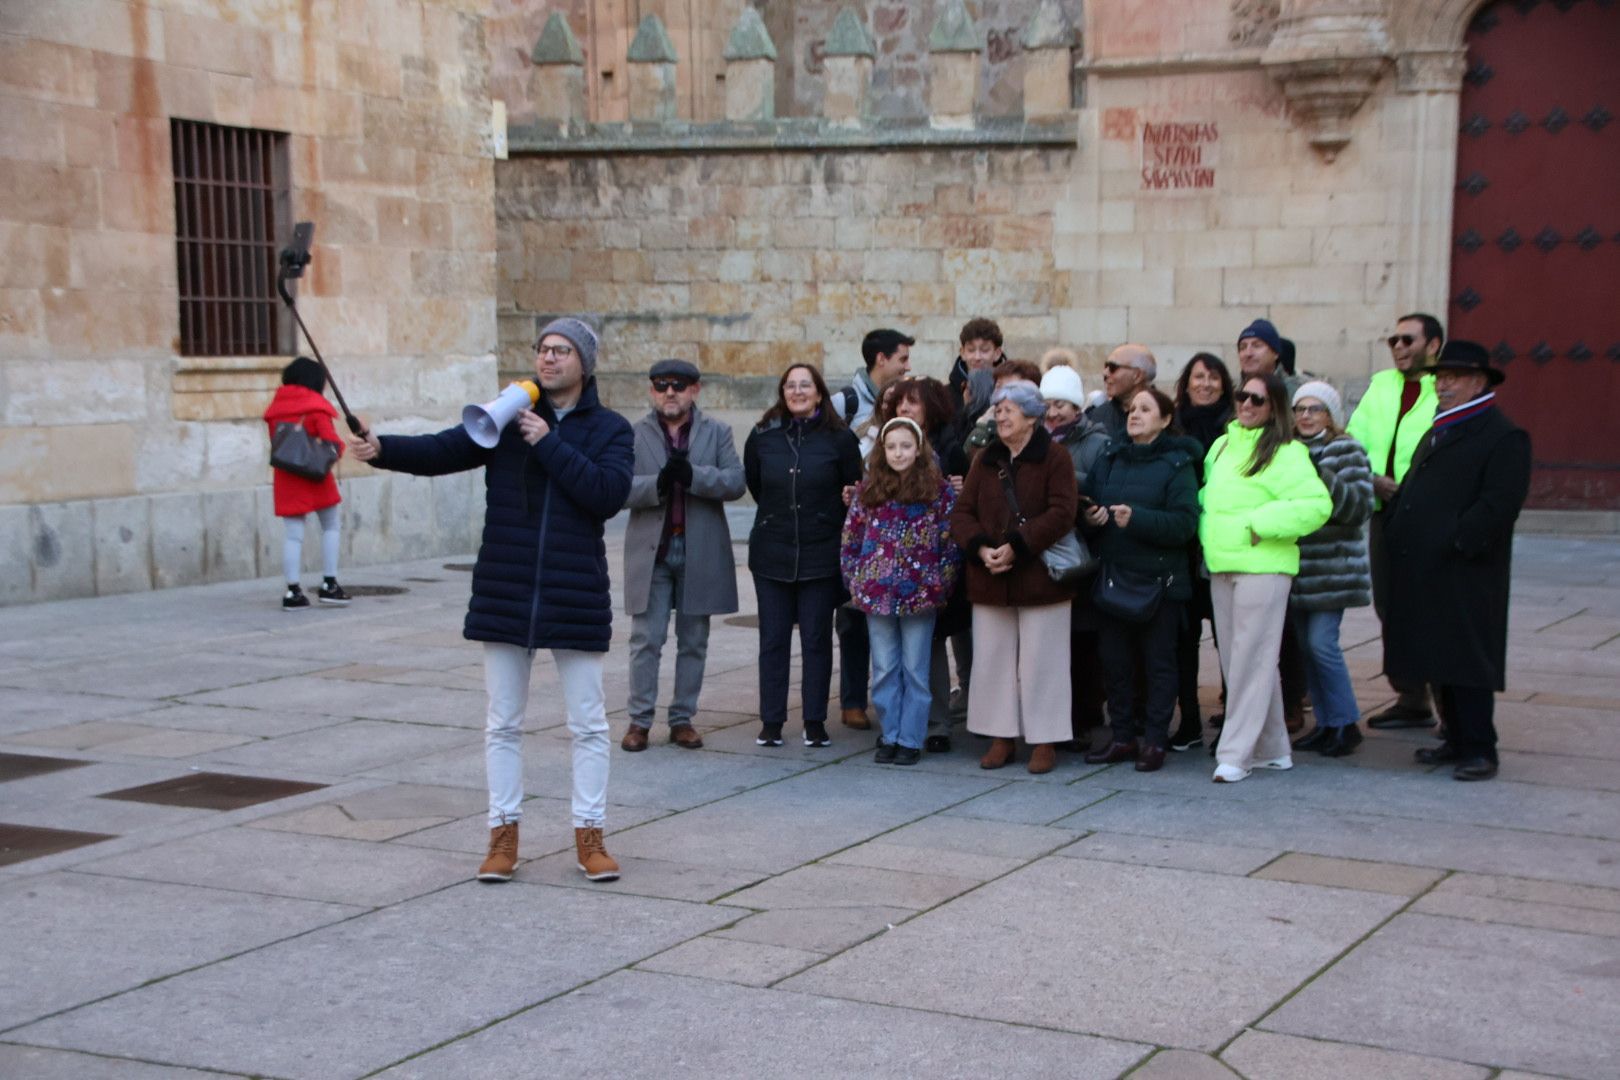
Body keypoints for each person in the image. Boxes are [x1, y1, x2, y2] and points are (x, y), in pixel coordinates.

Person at [350, 317, 632, 883]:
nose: (548, 359)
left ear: (585, 363)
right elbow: (442, 450)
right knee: (502, 723)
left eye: (561, 351)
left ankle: (590, 835)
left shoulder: (611, 429)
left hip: (573, 591)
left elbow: (606, 494)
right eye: (542, 350)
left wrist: (549, 443)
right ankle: (503, 836)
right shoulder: (504, 419)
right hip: (507, 588)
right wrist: (381, 448)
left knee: (589, 724)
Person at [1384, 341, 1530, 781]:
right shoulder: (1440, 429)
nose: (1442, 385)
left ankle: (1480, 747)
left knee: (1468, 661)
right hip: (1426, 567)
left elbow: (1498, 505)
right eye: (1439, 377)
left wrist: (1457, 541)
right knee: (1437, 656)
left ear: (1479, 382)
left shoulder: (1502, 435)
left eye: (1453, 377)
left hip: (1465, 570)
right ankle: (1454, 737)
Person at [1199, 372, 1331, 783]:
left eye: (1257, 399)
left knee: (1250, 661)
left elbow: (1316, 505)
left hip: (1265, 566)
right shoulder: (1221, 445)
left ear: (1273, 406)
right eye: (1243, 396)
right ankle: (1273, 748)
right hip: (1222, 563)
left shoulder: (1288, 452)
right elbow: (1210, 494)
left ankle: (1236, 754)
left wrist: (1260, 524)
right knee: (1239, 659)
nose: (1247, 404)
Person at [951, 381, 1078, 774]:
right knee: (991, 660)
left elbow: (1062, 512)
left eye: (1008, 409)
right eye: (997, 409)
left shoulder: (1055, 457)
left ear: (1031, 415)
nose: (1000, 416)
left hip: (1040, 578)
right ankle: (1000, 736)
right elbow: (962, 513)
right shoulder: (985, 458)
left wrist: (1018, 546)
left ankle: (1044, 740)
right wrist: (981, 548)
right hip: (990, 577)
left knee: (1045, 662)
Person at [620, 359, 746, 753]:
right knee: (646, 639)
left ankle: (682, 719)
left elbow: (736, 482)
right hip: (652, 551)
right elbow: (617, 486)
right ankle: (639, 721)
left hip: (698, 549)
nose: (669, 392)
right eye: (660, 386)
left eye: (678, 385)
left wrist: (695, 477)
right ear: (651, 391)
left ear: (695, 389)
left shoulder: (717, 432)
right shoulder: (635, 434)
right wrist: (654, 485)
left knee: (693, 640)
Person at [1081, 387, 1202, 772]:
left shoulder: (1177, 463)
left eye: (1146, 409)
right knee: (1114, 662)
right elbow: (1092, 505)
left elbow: (1185, 523)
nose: (1135, 415)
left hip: (1159, 585)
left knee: (1158, 664)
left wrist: (1139, 518)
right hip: (1114, 579)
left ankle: (1154, 740)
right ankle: (1121, 737)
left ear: (1165, 420)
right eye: (1132, 409)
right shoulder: (1111, 456)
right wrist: (1092, 519)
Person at [744, 363, 864, 748]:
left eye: (805, 385)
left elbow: (851, 489)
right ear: (782, 392)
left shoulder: (839, 438)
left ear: (819, 393)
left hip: (820, 553)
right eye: (790, 385)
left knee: (815, 638)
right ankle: (772, 721)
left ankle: (815, 720)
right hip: (772, 553)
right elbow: (757, 484)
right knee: (773, 639)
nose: (797, 392)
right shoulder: (763, 435)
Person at [841, 418, 961, 766]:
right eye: (891, 446)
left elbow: (949, 543)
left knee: (915, 669)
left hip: (920, 594)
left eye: (905, 446)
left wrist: (942, 583)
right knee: (883, 668)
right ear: (882, 450)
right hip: (876, 593)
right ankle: (890, 732)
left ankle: (910, 737)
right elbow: (851, 538)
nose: (898, 453)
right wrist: (856, 579)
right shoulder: (869, 490)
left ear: (919, 448)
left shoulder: (937, 492)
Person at [1346, 313, 1442, 730]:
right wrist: (1370, 481)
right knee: (1389, 605)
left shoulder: (1445, 389)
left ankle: (1448, 705)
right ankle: (1411, 697)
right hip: (1384, 513)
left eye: (1408, 340)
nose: (1399, 347)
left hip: (1428, 516)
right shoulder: (1382, 386)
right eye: (1394, 341)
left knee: (1432, 610)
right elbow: (1353, 442)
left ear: (1433, 345)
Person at [1287, 381, 1375, 758]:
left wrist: (1317, 472)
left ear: (1331, 416)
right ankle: (1326, 724)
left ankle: (1345, 723)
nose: (1306, 416)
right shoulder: (1288, 451)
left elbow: (1358, 506)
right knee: (1307, 648)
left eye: (1315, 409)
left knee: (1323, 644)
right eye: (1300, 409)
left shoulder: (1346, 448)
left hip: (1333, 568)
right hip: (1299, 568)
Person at [834, 328, 915, 731]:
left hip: (901, 542)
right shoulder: (845, 406)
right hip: (858, 531)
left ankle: (903, 715)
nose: (907, 366)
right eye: (901, 358)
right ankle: (852, 699)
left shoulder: (909, 433)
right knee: (852, 620)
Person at [1042, 363, 1112, 744]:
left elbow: (1103, 487)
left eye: (1061, 404)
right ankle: (1058, 719)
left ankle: (1083, 718)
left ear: (1076, 407)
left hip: (1081, 553)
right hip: (1046, 552)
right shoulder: (1037, 438)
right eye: (1048, 404)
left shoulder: (1096, 442)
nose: (1053, 412)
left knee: (1082, 643)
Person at [1170, 352, 1234, 749]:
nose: (1205, 384)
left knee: (1227, 636)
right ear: (1186, 382)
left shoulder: (1236, 426)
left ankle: (1233, 718)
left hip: (1224, 545)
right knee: (1183, 637)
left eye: (1213, 377)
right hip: (1184, 547)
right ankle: (1189, 720)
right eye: (1198, 376)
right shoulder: (1173, 425)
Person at [263, 357, 350, 610]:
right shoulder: (316, 407)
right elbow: (331, 442)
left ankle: (292, 592)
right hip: (315, 475)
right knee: (331, 526)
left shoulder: (275, 409)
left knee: (293, 536)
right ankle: (329, 584)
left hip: (287, 476)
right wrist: (341, 447)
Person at [1086, 344, 1156, 441]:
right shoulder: (1095, 416)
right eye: (1105, 366)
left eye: (1112, 367)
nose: (1105, 373)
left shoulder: (1164, 415)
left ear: (1137, 375)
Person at [947, 317, 1006, 404]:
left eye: (985, 350)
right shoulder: (944, 397)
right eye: (971, 350)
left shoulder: (1011, 393)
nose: (977, 357)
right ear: (962, 353)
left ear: (997, 353)